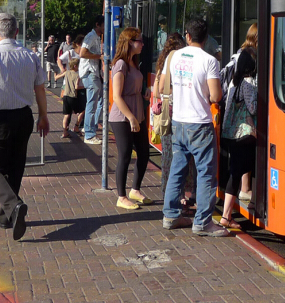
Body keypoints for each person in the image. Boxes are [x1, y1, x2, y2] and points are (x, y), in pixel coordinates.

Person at [0, 13, 49, 241]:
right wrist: (44, 116)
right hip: (24, 117)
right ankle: (6, 215)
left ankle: (13, 206)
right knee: (16, 166)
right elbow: (40, 89)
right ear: (16, 32)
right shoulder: (30, 56)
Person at [161, 18, 228, 237]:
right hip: (200, 124)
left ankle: (170, 215)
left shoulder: (173, 56)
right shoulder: (210, 61)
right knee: (205, 174)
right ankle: (202, 223)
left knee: (177, 171)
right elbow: (216, 96)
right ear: (206, 37)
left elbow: (165, 85)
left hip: (179, 122)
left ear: (187, 36)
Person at [152, 32, 197, 212]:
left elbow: (157, 91)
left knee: (167, 159)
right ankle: (177, 199)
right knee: (180, 160)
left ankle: (167, 195)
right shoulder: (179, 62)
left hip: (165, 116)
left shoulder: (162, 64)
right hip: (178, 115)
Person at [110, 27, 152, 210]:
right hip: (122, 117)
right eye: (139, 41)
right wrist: (131, 118)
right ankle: (121, 196)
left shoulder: (134, 63)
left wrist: (144, 92)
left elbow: (134, 87)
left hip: (137, 113)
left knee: (144, 152)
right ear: (129, 42)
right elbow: (117, 96)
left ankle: (135, 189)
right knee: (125, 155)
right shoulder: (120, 64)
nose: (142, 44)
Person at [219, 47, 258, 230]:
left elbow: (228, 110)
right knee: (243, 171)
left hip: (232, 134)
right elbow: (253, 108)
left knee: (235, 171)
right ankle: (227, 216)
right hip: (245, 135)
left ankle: (227, 214)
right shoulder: (249, 84)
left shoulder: (234, 83)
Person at [79, 15, 105, 144]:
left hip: (93, 73)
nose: (106, 28)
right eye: (104, 24)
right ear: (97, 24)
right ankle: (89, 134)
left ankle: (90, 127)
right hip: (90, 73)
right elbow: (82, 53)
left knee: (98, 101)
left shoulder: (96, 37)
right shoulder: (91, 36)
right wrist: (99, 56)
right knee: (92, 103)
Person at [59, 33, 86, 133]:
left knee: (82, 107)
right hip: (71, 85)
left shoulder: (85, 53)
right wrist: (62, 69)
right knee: (71, 112)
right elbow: (60, 59)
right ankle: (68, 129)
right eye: (83, 43)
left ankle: (75, 127)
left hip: (81, 83)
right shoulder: (70, 53)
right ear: (78, 44)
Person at [54, 58, 81, 138]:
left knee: (66, 115)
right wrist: (84, 87)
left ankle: (64, 131)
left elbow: (57, 77)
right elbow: (76, 87)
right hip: (73, 96)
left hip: (65, 96)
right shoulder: (77, 75)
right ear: (75, 66)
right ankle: (77, 126)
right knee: (81, 111)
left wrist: (56, 76)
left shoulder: (67, 72)